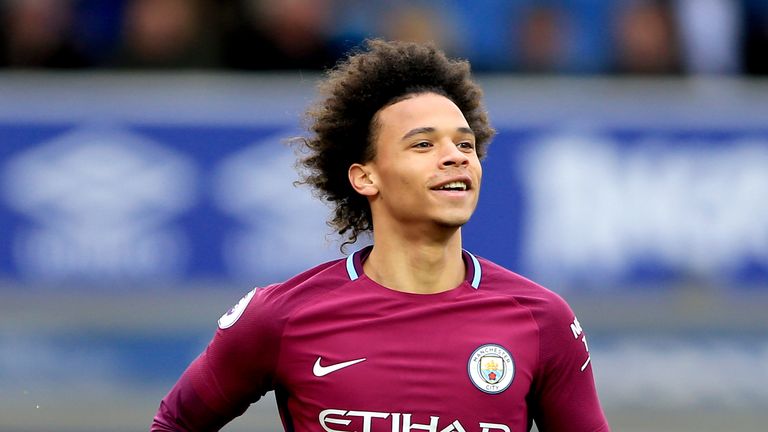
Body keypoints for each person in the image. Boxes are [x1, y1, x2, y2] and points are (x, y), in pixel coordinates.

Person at [151, 39, 610, 432]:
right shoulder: (280, 317)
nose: (455, 157)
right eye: (423, 144)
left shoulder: (542, 320)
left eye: (465, 144)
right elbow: (174, 425)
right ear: (365, 177)